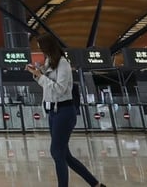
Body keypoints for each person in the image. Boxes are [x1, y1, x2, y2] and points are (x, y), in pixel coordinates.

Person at [27, 35, 106, 187]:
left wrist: (41, 76)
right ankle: (95, 184)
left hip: (64, 111)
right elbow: (47, 86)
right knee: (65, 155)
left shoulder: (63, 64)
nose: (40, 51)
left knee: (56, 152)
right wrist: (37, 74)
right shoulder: (50, 62)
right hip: (53, 112)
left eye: (41, 48)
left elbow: (59, 89)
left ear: (48, 47)